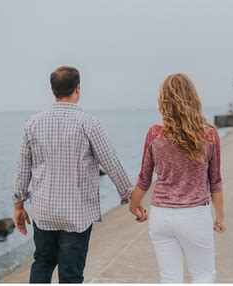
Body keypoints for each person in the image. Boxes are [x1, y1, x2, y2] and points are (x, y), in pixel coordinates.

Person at [12, 66, 144, 283]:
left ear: (53, 90)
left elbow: (22, 167)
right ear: (78, 89)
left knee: (43, 263)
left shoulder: (33, 123)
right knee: (71, 275)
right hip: (76, 213)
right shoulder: (89, 123)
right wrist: (131, 198)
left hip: (44, 212)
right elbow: (111, 162)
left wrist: (18, 205)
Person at [129, 73, 227, 283]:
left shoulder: (155, 134)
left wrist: (133, 206)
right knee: (203, 274)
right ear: (193, 99)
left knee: (170, 279)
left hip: (161, 216)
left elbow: (144, 178)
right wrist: (220, 217)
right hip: (194, 216)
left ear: (163, 101)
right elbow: (215, 182)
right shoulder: (209, 135)